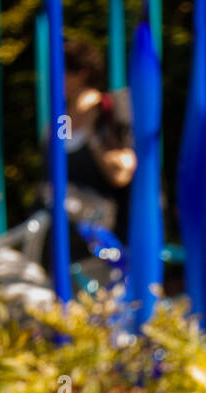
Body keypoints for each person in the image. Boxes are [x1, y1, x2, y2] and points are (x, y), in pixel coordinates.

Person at [56, 39, 136, 244]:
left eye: (62, 72)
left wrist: (92, 137)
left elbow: (120, 174)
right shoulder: (61, 117)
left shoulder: (108, 111)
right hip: (64, 231)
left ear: (81, 73)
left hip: (103, 235)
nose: (56, 79)